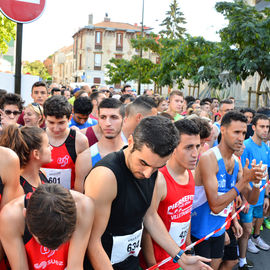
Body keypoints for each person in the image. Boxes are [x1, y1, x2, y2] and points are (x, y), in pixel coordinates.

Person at [84, 116, 212, 270]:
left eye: (157, 167)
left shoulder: (153, 170)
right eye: (143, 163)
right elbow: (93, 240)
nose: (147, 174)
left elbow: (150, 216)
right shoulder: (106, 177)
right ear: (130, 142)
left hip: (130, 259)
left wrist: (180, 257)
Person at [191, 111, 263, 270]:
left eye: (244, 133)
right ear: (222, 130)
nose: (241, 137)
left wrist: (256, 183)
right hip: (199, 232)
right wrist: (243, 181)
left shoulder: (236, 161)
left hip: (218, 229)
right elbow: (215, 206)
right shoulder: (209, 158)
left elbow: (251, 199)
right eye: (236, 132)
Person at [141, 119, 201, 270]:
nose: (195, 154)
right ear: (173, 148)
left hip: (179, 258)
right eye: (188, 147)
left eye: (197, 146)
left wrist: (188, 246)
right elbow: (147, 226)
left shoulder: (191, 173)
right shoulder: (159, 179)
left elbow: (186, 214)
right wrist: (152, 264)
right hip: (159, 262)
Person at [0, 184, 94, 270]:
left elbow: (75, 266)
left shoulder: (84, 207)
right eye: (42, 241)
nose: (53, 250)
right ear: (25, 215)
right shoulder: (10, 217)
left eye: (62, 241)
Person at [238, 114, 270, 270]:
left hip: (260, 194)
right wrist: (244, 199)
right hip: (248, 196)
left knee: (257, 222)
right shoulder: (246, 146)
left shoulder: (266, 148)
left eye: (267, 127)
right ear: (254, 127)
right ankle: (242, 260)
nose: (265, 130)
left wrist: (267, 196)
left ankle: (255, 239)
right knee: (246, 230)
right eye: (262, 126)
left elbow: (267, 173)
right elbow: (241, 174)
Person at [75, 98, 125, 193]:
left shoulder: (133, 153)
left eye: (114, 117)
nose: (108, 123)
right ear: (98, 118)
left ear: (124, 119)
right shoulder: (85, 158)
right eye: (103, 117)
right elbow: (80, 200)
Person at [42, 95, 88, 190]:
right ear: (44, 118)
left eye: (61, 123)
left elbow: (83, 177)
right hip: (42, 199)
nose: (56, 128)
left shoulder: (80, 141)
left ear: (69, 118)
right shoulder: (36, 138)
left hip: (68, 199)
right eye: (51, 122)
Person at [0, 125, 50, 194]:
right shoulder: (18, 184)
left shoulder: (41, 172)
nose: (51, 148)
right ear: (36, 154)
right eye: (47, 146)